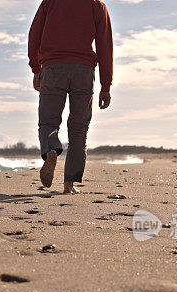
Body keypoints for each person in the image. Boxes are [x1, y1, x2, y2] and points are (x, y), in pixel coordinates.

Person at [29, 0, 113, 194]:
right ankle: (69, 184)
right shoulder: (97, 5)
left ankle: (51, 148)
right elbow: (104, 46)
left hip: (53, 68)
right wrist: (105, 86)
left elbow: (34, 36)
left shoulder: (50, 2)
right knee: (78, 129)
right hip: (83, 71)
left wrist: (36, 69)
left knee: (48, 123)